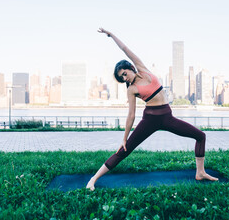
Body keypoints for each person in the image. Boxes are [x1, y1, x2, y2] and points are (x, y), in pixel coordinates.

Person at [86, 28, 218, 190]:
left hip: (167, 117)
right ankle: (93, 179)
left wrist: (111, 35)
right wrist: (124, 138)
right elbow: (131, 115)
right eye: (122, 78)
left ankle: (200, 172)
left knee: (200, 136)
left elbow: (125, 49)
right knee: (124, 151)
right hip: (150, 120)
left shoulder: (142, 68)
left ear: (130, 67)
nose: (125, 78)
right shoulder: (132, 89)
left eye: (125, 74)